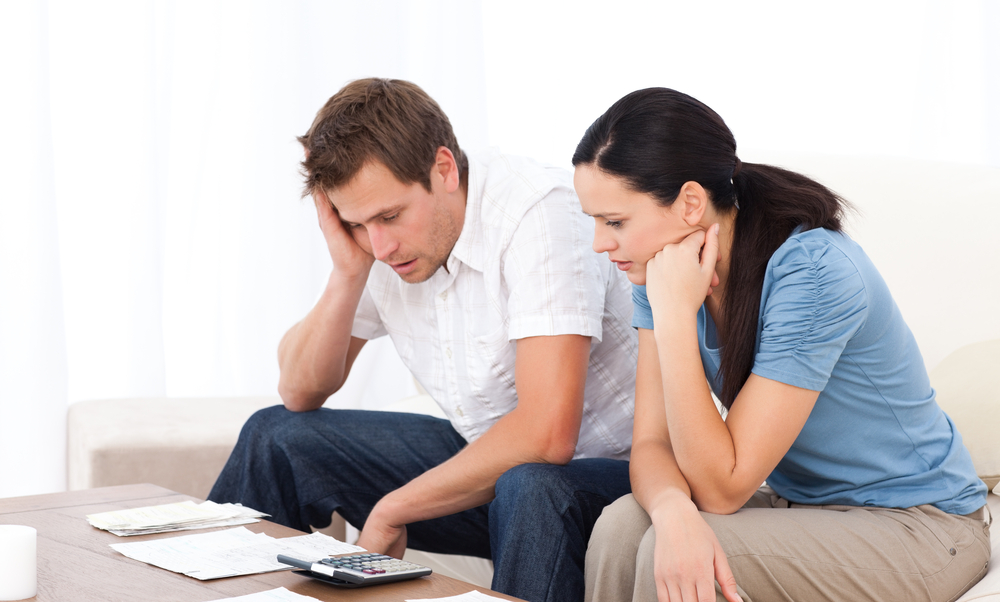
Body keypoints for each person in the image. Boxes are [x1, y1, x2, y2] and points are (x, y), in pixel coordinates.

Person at [209, 78, 638, 602]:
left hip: (613, 480)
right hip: (494, 466)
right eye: (357, 224)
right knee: (275, 434)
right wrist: (347, 273)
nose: (381, 246)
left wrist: (394, 508)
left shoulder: (537, 213)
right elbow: (300, 391)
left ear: (444, 169)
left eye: (390, 216)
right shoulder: (380, 245)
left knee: (529, 482)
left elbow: (547, 435)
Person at [572, 87, 990, 602]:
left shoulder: (812, 273)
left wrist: (676, 317)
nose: (600, 244)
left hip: (921, 526)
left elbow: (724, 488)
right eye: (595, 221)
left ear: (690, 203)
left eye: (615, 222)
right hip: (805, 510)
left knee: (678, 547)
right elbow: (651, 444)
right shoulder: (657, 270)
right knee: (622, 526)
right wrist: (673, 509)